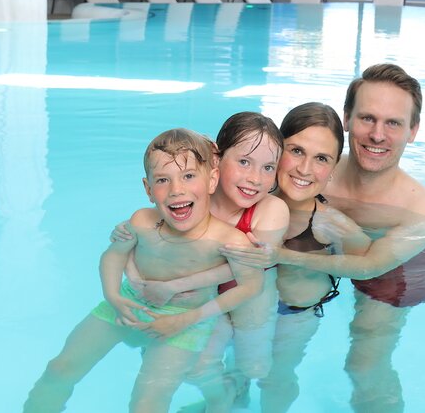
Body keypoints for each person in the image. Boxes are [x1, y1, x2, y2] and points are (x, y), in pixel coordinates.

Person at [221, 64, 425, 412]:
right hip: (319, 246)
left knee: (365, 364)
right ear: (347, 118)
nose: (377, 134)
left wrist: (281, 254)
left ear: (413, 130)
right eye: (367, 118)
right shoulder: (312, 167)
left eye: (394, 123)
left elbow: (371, 265)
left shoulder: (424, 211)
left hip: (392, 265)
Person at [23, 128, 264, 413]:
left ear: (211, 180)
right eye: (163, 180)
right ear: (148, 189)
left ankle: (227, 393)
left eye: (188, 176)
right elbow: (112, 257)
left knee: (147, 402)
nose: (177, 189)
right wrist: (113, 295)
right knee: (59, 367)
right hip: (128, 302)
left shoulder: (228, 240)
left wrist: (189, 318)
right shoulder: (142, 222)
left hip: (184, 321)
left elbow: (251, 286)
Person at [113, 113, 289, 407]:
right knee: (193, 365)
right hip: (204, 294)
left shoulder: (272, 209)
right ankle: (220, 391)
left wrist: (176, 285)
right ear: (216, 162)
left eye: (268, 167)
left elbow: (246, 268)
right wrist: (128, 246)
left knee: (254, 366)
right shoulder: (195, 194)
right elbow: (156, 227)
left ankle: (237, 384)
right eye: (244, 162)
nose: (255, 178)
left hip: (251, 292)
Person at [257, 102, 370, 413]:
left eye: (321, 158)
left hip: (294, 315)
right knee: (235, 364)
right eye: (296, 150)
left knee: (275, 376)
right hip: (247, 310)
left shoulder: (332, 225)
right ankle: (232, 398)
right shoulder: (251, 200)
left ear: (333, 168)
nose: (304, 169)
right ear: (277, 150)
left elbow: (368, 267)